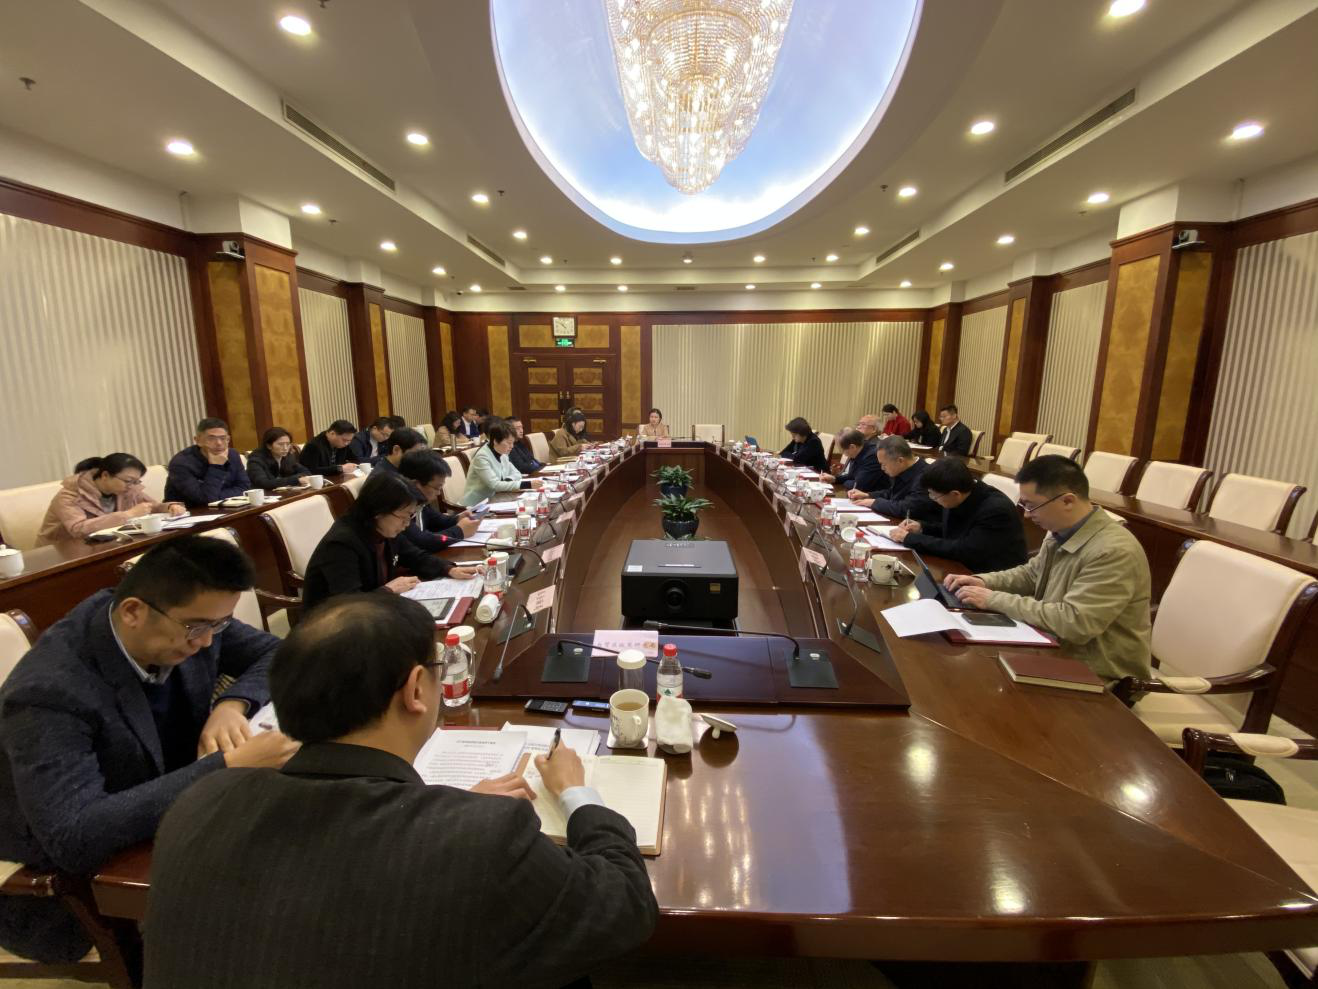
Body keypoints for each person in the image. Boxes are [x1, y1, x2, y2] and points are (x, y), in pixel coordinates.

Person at [143, 592, 659, 989]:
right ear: (416, 690)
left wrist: (452, 813)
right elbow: (625, 905)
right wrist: (575, 794)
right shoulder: (482, 839)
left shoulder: (200, 803)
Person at [0, 536, 298, 963]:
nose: (207, 643)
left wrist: (232, 703)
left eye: (219, 627)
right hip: (74, 882)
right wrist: (225, 766)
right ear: (133, 611)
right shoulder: (49, 692)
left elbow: (276, 652)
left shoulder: (186, 618)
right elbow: (73, 836)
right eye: (197, 628)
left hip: (166, 806)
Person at [945, 455, 1152, 683]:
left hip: (1099, 674)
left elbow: (1076, 622)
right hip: (1054, 648)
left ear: (1068, 501)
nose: (1026, 514)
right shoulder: (1060, 531)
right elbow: (1031, 574)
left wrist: (993, 599)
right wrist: (984, 581)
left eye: (1032, 506)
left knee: (977, 681)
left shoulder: (1113, 551)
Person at [301, 474, 480, 612]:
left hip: (376, 612)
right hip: (330, 629)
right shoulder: (341, 544)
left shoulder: (383, 529)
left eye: (410, 516)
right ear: (378, 512)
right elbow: (349, 604)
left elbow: (415, 556)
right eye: (404, 517)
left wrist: (449, 569)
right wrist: (389, 590)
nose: (407, 524)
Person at [890, 459, 1028, 573]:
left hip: (990, 575)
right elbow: (952, 529)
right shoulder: (960, 492)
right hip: (963, 565)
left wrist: (910, 539)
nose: (932, 499)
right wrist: (922, 528)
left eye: (934, 496)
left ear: (955, 494)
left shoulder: (996, 511)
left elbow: (965, 550)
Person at [36, 453, 183, 545]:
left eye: (136, 481)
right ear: (105, 475)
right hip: (61, 552)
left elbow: (151, 506)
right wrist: (128, 515)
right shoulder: (69, 495)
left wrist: (170, 507)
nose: (132, 486)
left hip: (104, 545)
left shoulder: (126, 489)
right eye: (128, 481)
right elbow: (78, 529)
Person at [397, 451, 479, 551]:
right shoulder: (400, 508)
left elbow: (438, 521)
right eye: (437, 488)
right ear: (415, 484)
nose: (439, 493)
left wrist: (458, 518)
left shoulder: (421, 503)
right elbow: (421, 542)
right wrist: (460, 531)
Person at [847, 436, 939, 524]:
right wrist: (867, 495)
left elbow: (908, 508)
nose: (882, 468)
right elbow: (892, 492)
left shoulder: (925, 476)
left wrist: (874, 503)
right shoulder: (903, 469)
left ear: (900, 460)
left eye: (884, 464)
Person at [164, 417, 252, 507]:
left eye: (223, 438)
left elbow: (245, 487)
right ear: (198, 440)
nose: (219, 443)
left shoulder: (232, 454)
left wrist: (216, 496)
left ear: (228, 439)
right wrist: (217, 466)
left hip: (227, 507)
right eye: (211, 438)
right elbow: (205, 499)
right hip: (188, 512)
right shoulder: (181, 463)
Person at [462, 420, 544, 507]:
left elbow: (517, 473)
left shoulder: (502, 452)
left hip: (496, 500)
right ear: (495, 441)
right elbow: (495, 485)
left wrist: (506, 481)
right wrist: (527, 484)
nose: (512, 446)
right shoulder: (482, 457)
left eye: (513, 443)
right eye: (509, 442)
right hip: (475, 505)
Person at [246, 427, 310, 490]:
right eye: (280, 444)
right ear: (269, 446)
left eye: (288, 444)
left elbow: (306, 472)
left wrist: (292, 479)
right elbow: (264, 483)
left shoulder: (288, 456)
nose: (285, 448)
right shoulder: (255, 460)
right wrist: (295, 480)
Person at [829, 429, 886, 494]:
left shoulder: (872, 457)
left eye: (842, 450)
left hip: (876, 496)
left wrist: (845, 482)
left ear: (852, 447)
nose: (843, 454)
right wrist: (834, 479)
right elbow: (851, 476)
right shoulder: (857, 451)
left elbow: (858, 486)